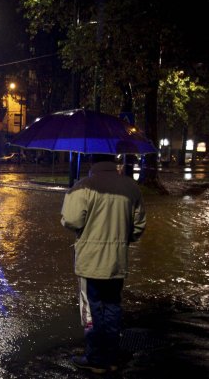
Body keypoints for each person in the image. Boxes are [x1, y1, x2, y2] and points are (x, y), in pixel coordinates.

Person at [60, 153, 146, 374]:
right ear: (113, 160)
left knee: (92, 310)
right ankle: (111, 356)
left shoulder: (83, 187)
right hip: (117, 260)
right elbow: (138, 227)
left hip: (91, 262)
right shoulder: (130, 186)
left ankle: (96, 358)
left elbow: (72, 220)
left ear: (92, 162)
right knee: (113, 306)